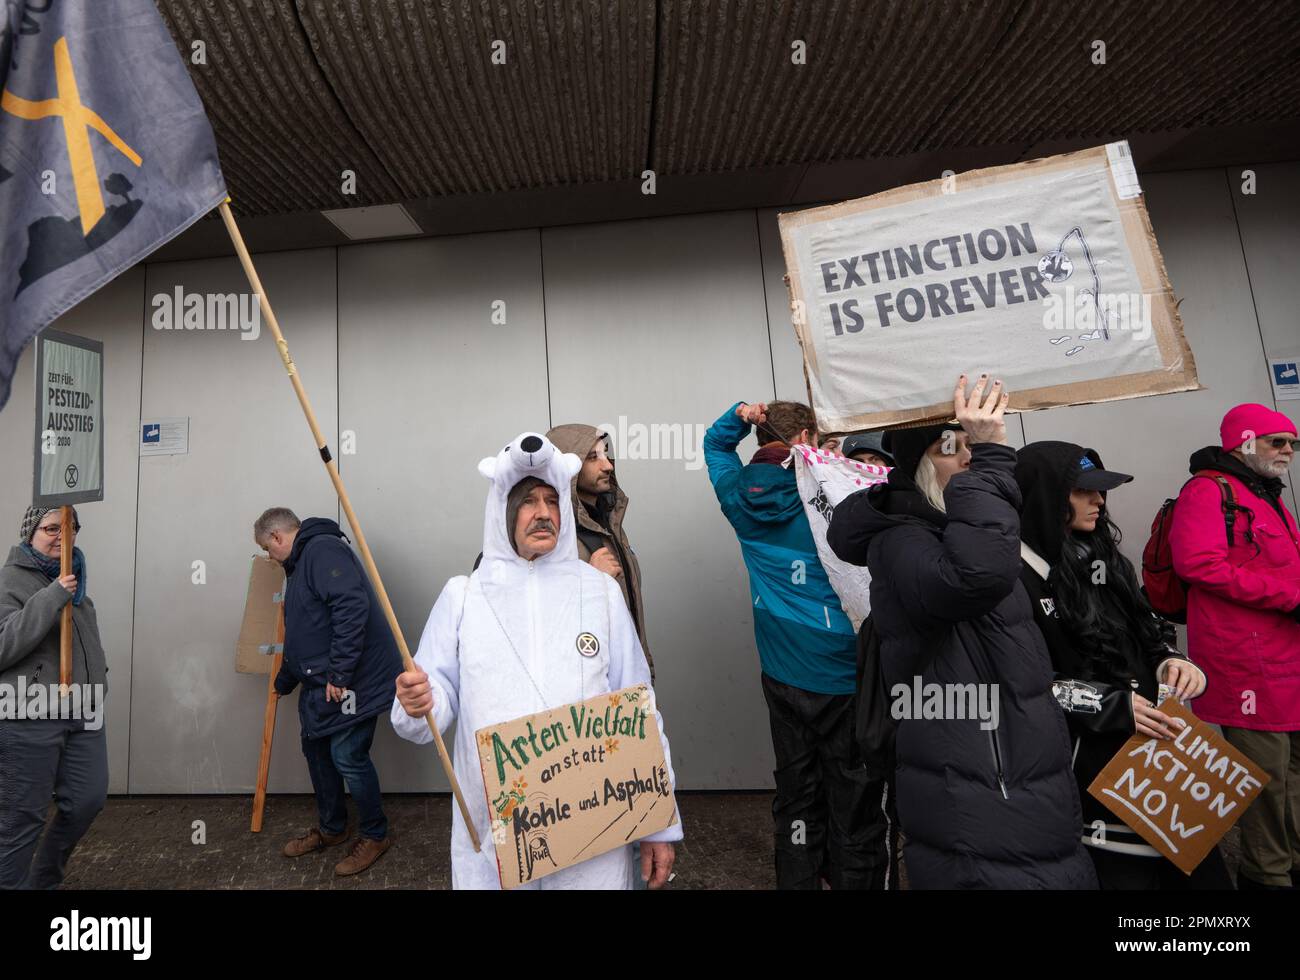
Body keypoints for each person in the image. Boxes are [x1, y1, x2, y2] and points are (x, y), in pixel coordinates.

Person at [827, 375, 1096, 889]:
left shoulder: (955, 530)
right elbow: (976, 578)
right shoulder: (901, 541)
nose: (968, 456)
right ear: (920, 465)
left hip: (1016, 764)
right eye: (952, 447)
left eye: (973, 445)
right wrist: (993, 457)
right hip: (977, 776)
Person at [391, 432, 680, 889]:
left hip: (593, 832)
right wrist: (419, 701)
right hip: (496, 834)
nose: (543, 513)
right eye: (527, 501)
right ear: (503, 512)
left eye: (552, 500)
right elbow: (436, 699)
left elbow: (638, 706)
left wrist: (658, 826)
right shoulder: (463, 598)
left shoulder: (599, 592)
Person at [1014, 441, 1229, 889]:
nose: (1099, 501)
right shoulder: (1016, 579)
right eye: (1082, 491)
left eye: (1101, 490)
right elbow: (1021, 684)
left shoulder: (1104, 556)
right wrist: (1113, 705)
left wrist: (1175, 661)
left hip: (1162, 756)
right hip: (1092, 775)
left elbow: (1151, 630)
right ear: (1044, 496)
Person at [704, 399, 887, 890]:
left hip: (782, 675)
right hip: (844, 673)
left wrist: (738, 416)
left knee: (797, 795)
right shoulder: (833, 493)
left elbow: (715, 445)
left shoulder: (736, 495)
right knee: (855, 800)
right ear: (806, 438)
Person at [1168, 403, 1300, 890]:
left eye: (1292, 443)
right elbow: (1198, 564)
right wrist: (1289, 597)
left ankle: (1292, 864)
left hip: (1287, 654)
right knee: (1266, 776)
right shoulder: (1209, 490)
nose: (1288, 451)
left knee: (1294, 769)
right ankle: (1267, 877)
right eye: (1276, 441)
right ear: (1243, 443)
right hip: (1248, 661)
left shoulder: (1264, 493)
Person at [254, 508, 401, 877]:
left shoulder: (321, 550)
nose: (269, 559)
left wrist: (340, 673)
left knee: (347, 753)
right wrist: (285, 680)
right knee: (316, 748)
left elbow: (352, 607)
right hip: (328, 679)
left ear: (276, 538)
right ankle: (333, 829)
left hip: (356, 679)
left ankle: (375, 834)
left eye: (267, 550)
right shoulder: (301, 565)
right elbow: (307, 630)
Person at [0, 506, 108, 889]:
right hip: (27, 714)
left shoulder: (77, 579)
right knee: (20, 820)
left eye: (70, 527)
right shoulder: (9, 580)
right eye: (51, 528)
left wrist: (99, 680)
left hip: (84, 711)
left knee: (87, 800)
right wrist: (51, 597)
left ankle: (41, 882)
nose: (62, 535)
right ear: (30, 532)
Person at [546, 425, 652, 679]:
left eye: (605, 454)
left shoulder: (609, 522)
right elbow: (543, 621)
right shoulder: (553, 537)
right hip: (586, 688)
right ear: (566, 469)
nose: (608, 466)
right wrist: (591, 580)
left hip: (626, 677)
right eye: (592, 458)